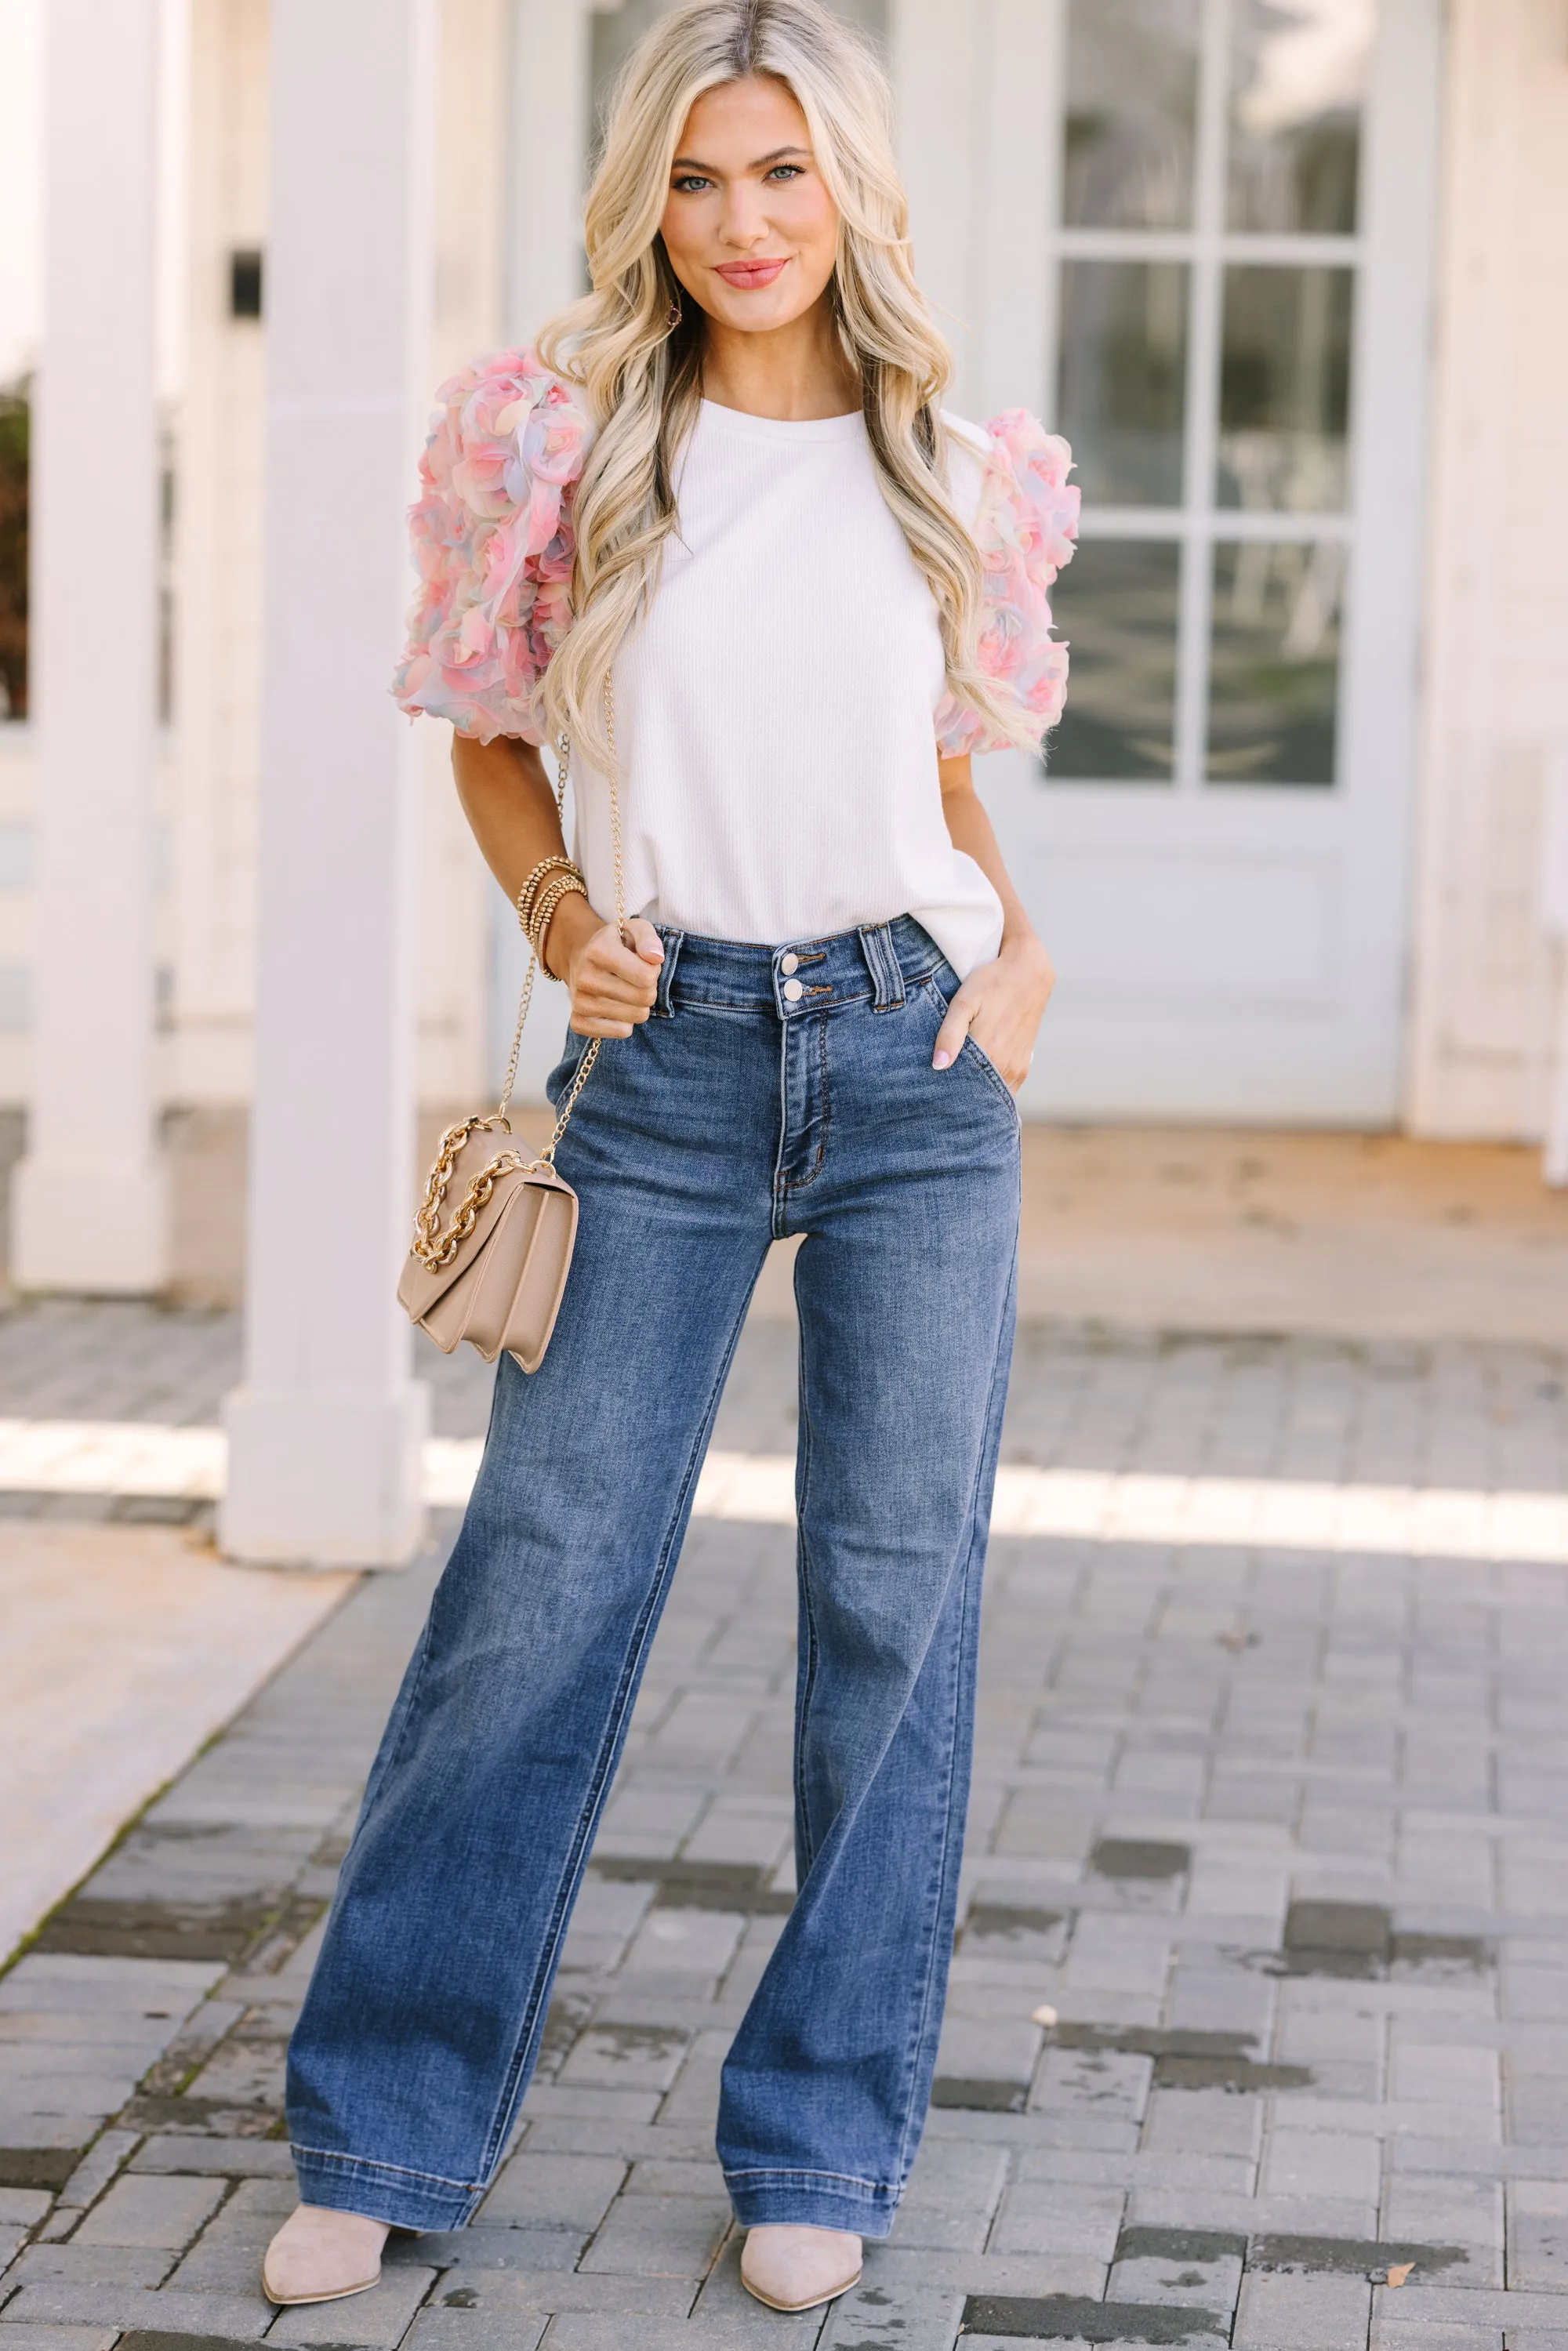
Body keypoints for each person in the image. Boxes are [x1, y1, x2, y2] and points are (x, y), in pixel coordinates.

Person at [262, 0, 1076, 2318]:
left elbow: (941, 780)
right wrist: (555, 920)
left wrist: (1028, 951)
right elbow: (499, 750)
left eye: (786, 176)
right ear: (650, 197)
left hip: (922, 1067)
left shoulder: (953, 466)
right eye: (702, 179)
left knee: (892, 1604)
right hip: (680, 1058)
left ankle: (823, 2134)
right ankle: (388, 2118)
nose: (743, 223)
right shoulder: (564, 444)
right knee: (541, 1578)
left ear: (855, 195)